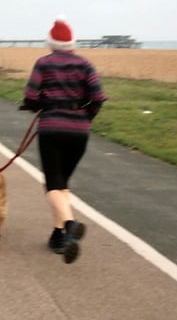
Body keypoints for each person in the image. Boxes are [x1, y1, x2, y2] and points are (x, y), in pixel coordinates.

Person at [21, 17, 107, 264]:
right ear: (71, 43)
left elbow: (30, 94)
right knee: (63, 183)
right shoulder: (85, 64)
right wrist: (86, 116)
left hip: (51, 128)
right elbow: (98, 97)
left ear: (52, 43)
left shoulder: (43, 63)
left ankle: (69, 225)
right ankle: (59, 236)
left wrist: (37, 105)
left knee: (52, 185)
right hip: (79, 131)